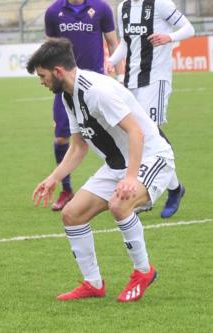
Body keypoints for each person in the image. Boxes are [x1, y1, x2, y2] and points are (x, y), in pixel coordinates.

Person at [28, 38, 175, 302]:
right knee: (72, 214)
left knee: (120, 204)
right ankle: (93, 283)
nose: (42, 81)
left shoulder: (97, 91)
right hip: (118, 164)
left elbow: (136, 132)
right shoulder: (68, 96)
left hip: (152, 158)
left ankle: (143, 271)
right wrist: (54, 178)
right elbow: (78, 147)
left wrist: (130, 178)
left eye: (43, 75)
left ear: (58, 71)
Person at [106, 0, 194, 218]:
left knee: (147, 134)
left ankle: (170, 190)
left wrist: (169, 37)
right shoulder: (122, 7)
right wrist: (111, 61)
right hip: (131, 82)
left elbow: (188, 28)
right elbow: (126, 43)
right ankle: (164, 189)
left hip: (156, 79)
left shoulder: (161, 4)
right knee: (136, 136)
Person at [44, 0, 123, 211]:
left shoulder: (101, 8)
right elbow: (49, 50)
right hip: (66, 86)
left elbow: (113, 43)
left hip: (96, 86)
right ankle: (66, 189)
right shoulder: (53, 12)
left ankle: (125, 183)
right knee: (62, 137)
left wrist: (121, 75)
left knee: (116, 133)